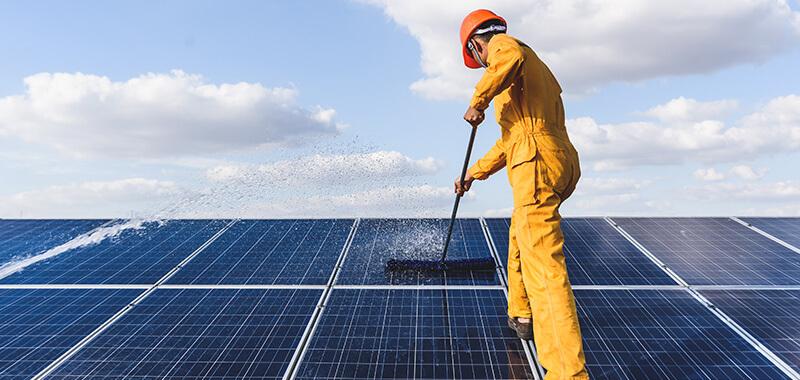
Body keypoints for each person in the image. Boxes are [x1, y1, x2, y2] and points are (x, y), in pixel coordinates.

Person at [454, 9, 589, 380]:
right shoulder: (535, 68)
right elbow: (511, 140)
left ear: (475, 45)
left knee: (544, 268)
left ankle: (567, 373)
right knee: (521, 234)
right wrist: (473, 174)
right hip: (557, 160)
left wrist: (478, 100)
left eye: (478, 59)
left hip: (536, 164)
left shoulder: (505, 48)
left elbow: (505, 59)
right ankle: (522, 313)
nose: (483, 65)